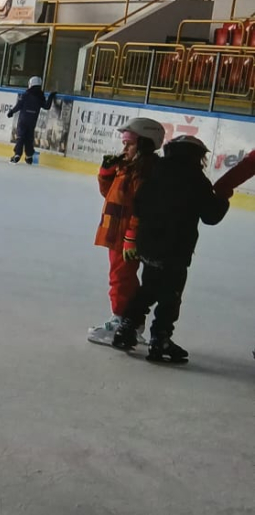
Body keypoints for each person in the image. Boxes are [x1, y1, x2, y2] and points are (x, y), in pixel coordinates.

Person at [113, 135, 229, 363]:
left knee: (148, 288)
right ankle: (160, 339)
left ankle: (126, 327)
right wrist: (223, 199)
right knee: (170, 295)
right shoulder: (197, 179)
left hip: (148, 246)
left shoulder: (156, 171)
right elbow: (211, 216)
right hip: (175, 250)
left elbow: (139, 203)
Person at [88, 114, 164, 346]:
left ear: (144, 144)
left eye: (129, 144)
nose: (124, 148)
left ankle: (120, 320)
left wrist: (132, 235)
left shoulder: (144, 172)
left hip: (126, 236)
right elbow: (110, 194)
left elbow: (142, 208)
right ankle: (132, 322)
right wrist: (106, 172)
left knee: (120, 278)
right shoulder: (126, 167)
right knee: (124, 278)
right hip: (115, 231)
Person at [7, 76, 56, 164]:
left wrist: (11, 111)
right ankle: (29, 156)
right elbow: (47, 106)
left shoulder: (26, 95)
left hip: (23, 120)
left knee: (20, 137)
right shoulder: (40, 96)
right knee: (29, 138)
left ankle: (17, 154)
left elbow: (19, 105)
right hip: (32, 120)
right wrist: (51, 96)